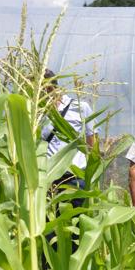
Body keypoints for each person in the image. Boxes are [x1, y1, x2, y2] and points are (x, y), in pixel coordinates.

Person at [41, 69, 97, 205]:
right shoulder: (37, 114)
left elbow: (92, 145)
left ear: (48, 87)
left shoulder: (80, 107)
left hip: (74, 179)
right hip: (47, 180)